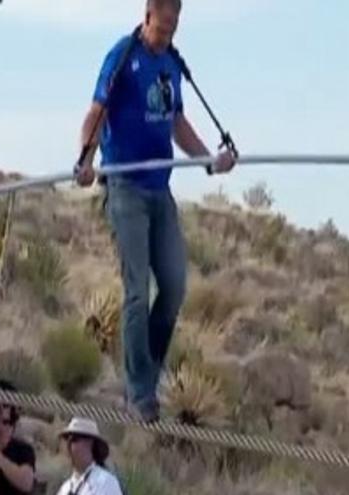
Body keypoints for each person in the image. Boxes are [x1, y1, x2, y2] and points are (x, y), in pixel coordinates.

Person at [75, 0, 237, 423]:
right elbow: (97, 111)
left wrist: (207, 159)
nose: (166, 35)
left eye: (173, 28)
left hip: (159, 189)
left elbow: (176, 122)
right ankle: (139, 392)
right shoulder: (123, 56)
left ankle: (151, 369)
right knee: (136, 289)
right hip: (125, 187)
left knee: (175, 285)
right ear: (147, 16)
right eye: (161, 27)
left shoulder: (170, 62)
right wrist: (85, 159)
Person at [55, 417, 124, 495]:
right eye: (67, 440)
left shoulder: (106, 482)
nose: (69, 445)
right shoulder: (65, 488)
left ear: (89, 443)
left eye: (74, 439)